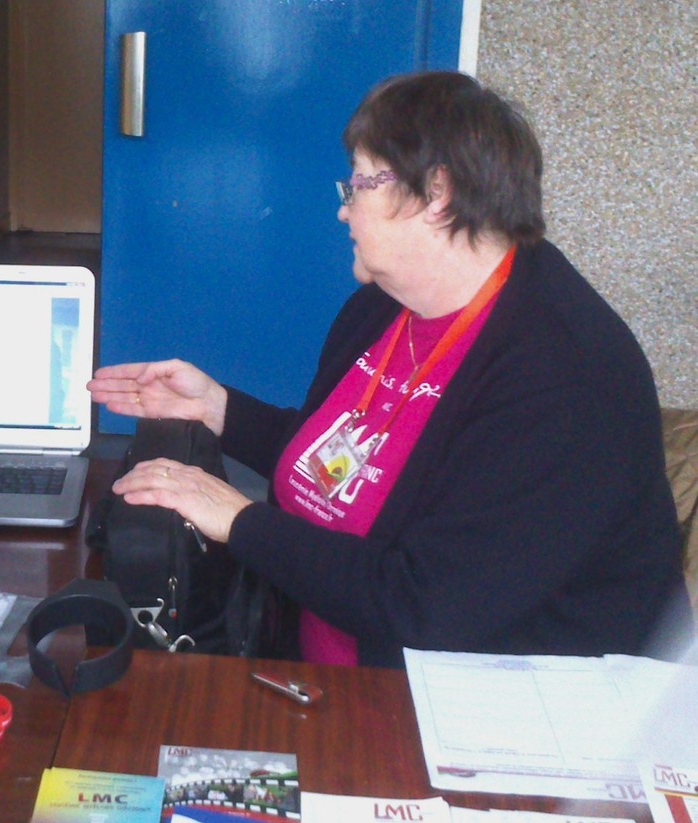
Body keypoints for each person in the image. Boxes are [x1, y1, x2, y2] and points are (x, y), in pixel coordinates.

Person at [89, 71, 690, 670]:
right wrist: (219, 410)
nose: (344, 213)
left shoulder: (565, 377)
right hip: (325, 668)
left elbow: (427, 604)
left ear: (437, 195)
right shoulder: (383, 307)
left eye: (357, 187)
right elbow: (348, 473)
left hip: (480, 709)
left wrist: (240, 520)